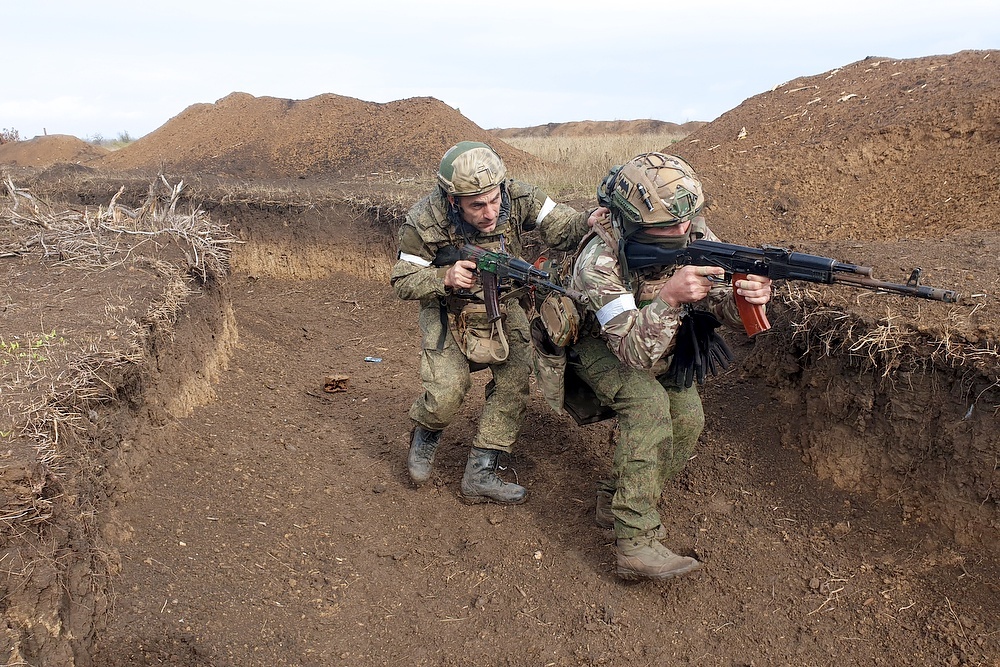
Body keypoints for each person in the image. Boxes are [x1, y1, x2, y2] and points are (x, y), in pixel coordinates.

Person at [564, 152, 772, 580]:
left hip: (657, 336)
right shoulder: (599, 262)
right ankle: (635, 542)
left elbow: (720, 305)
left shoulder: (688, 227)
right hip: (599, 346)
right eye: (670, 227)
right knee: (649, 407)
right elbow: (631, 353)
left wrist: (745, 298)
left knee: (689, 419)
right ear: (633, 224)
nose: (684, 233)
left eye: (687, 221)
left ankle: (616, 498)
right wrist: (671, 298)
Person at [391, 141, 606, 504]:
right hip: (448, 308)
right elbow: (401, 280)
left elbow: (561, 225)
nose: (490, 213)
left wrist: (587, 220)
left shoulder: (519, 196)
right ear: (452, 200)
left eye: (494, 200)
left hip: (504, 303)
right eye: (477, 205)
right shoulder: (424, 220)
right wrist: (443, 277)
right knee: (446, 392)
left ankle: (481, 470)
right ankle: (426, 433)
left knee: (515, 382)